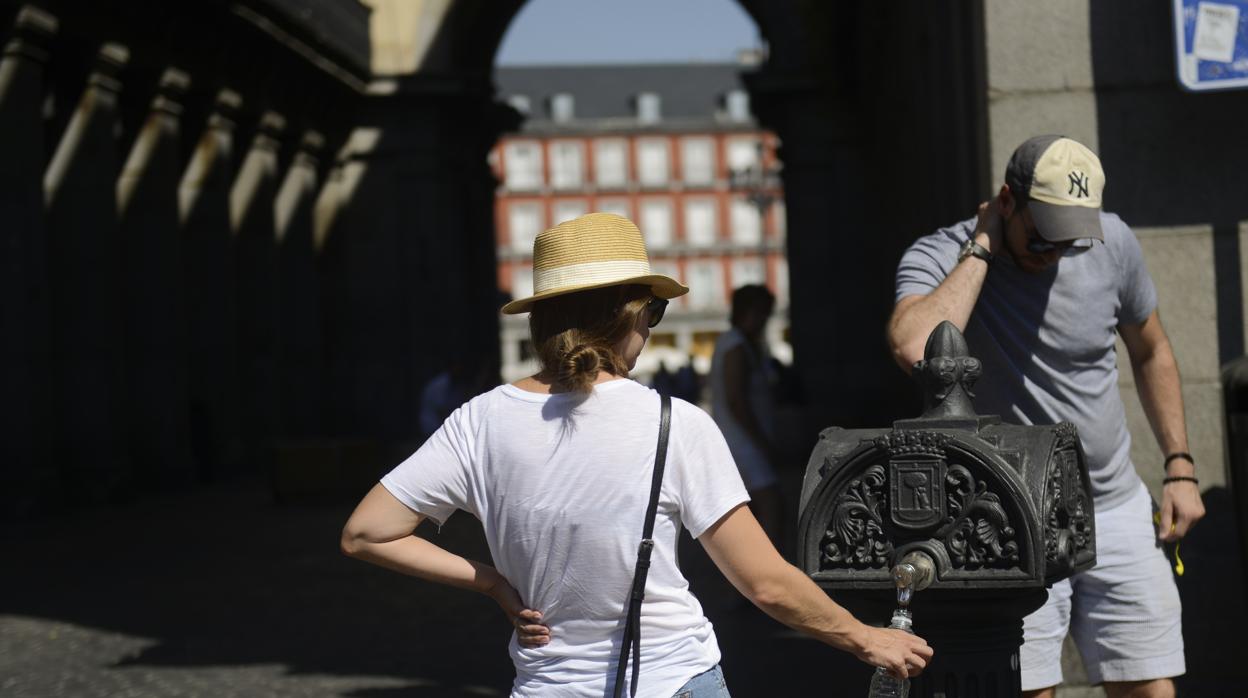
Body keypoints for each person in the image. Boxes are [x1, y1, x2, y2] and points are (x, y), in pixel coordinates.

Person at [342, 213, 932, 697]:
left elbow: (367, 533)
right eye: (653, 312)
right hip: (672, 680)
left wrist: (494, 583)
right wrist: (864, 637)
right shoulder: (674, 425)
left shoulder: (478, 421)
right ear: (629, 313)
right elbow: (765, 584)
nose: (651, 328)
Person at [887, 135, 1204, 698]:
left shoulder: (1115, 245)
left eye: (1071, 239)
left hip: (1115, 507)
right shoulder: (942, 253)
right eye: (1042, 235)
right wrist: (982, 246)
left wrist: (1179, 465)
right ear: (1007, 201)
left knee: (1150, 686)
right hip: (1008, 522)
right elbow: (914, 346)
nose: (1055, 252)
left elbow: (1152, 350)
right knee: (1028, 690)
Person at [709, 284, 783, 545]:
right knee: (770, 502)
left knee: (753, 508)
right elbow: (736, 400)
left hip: (740, 440)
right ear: (749, 311)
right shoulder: (736, 345)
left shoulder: (737, 343)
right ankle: (771, 567)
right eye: (764, 313)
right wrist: (762, 441)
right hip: (743, 442)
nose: (765, 320)